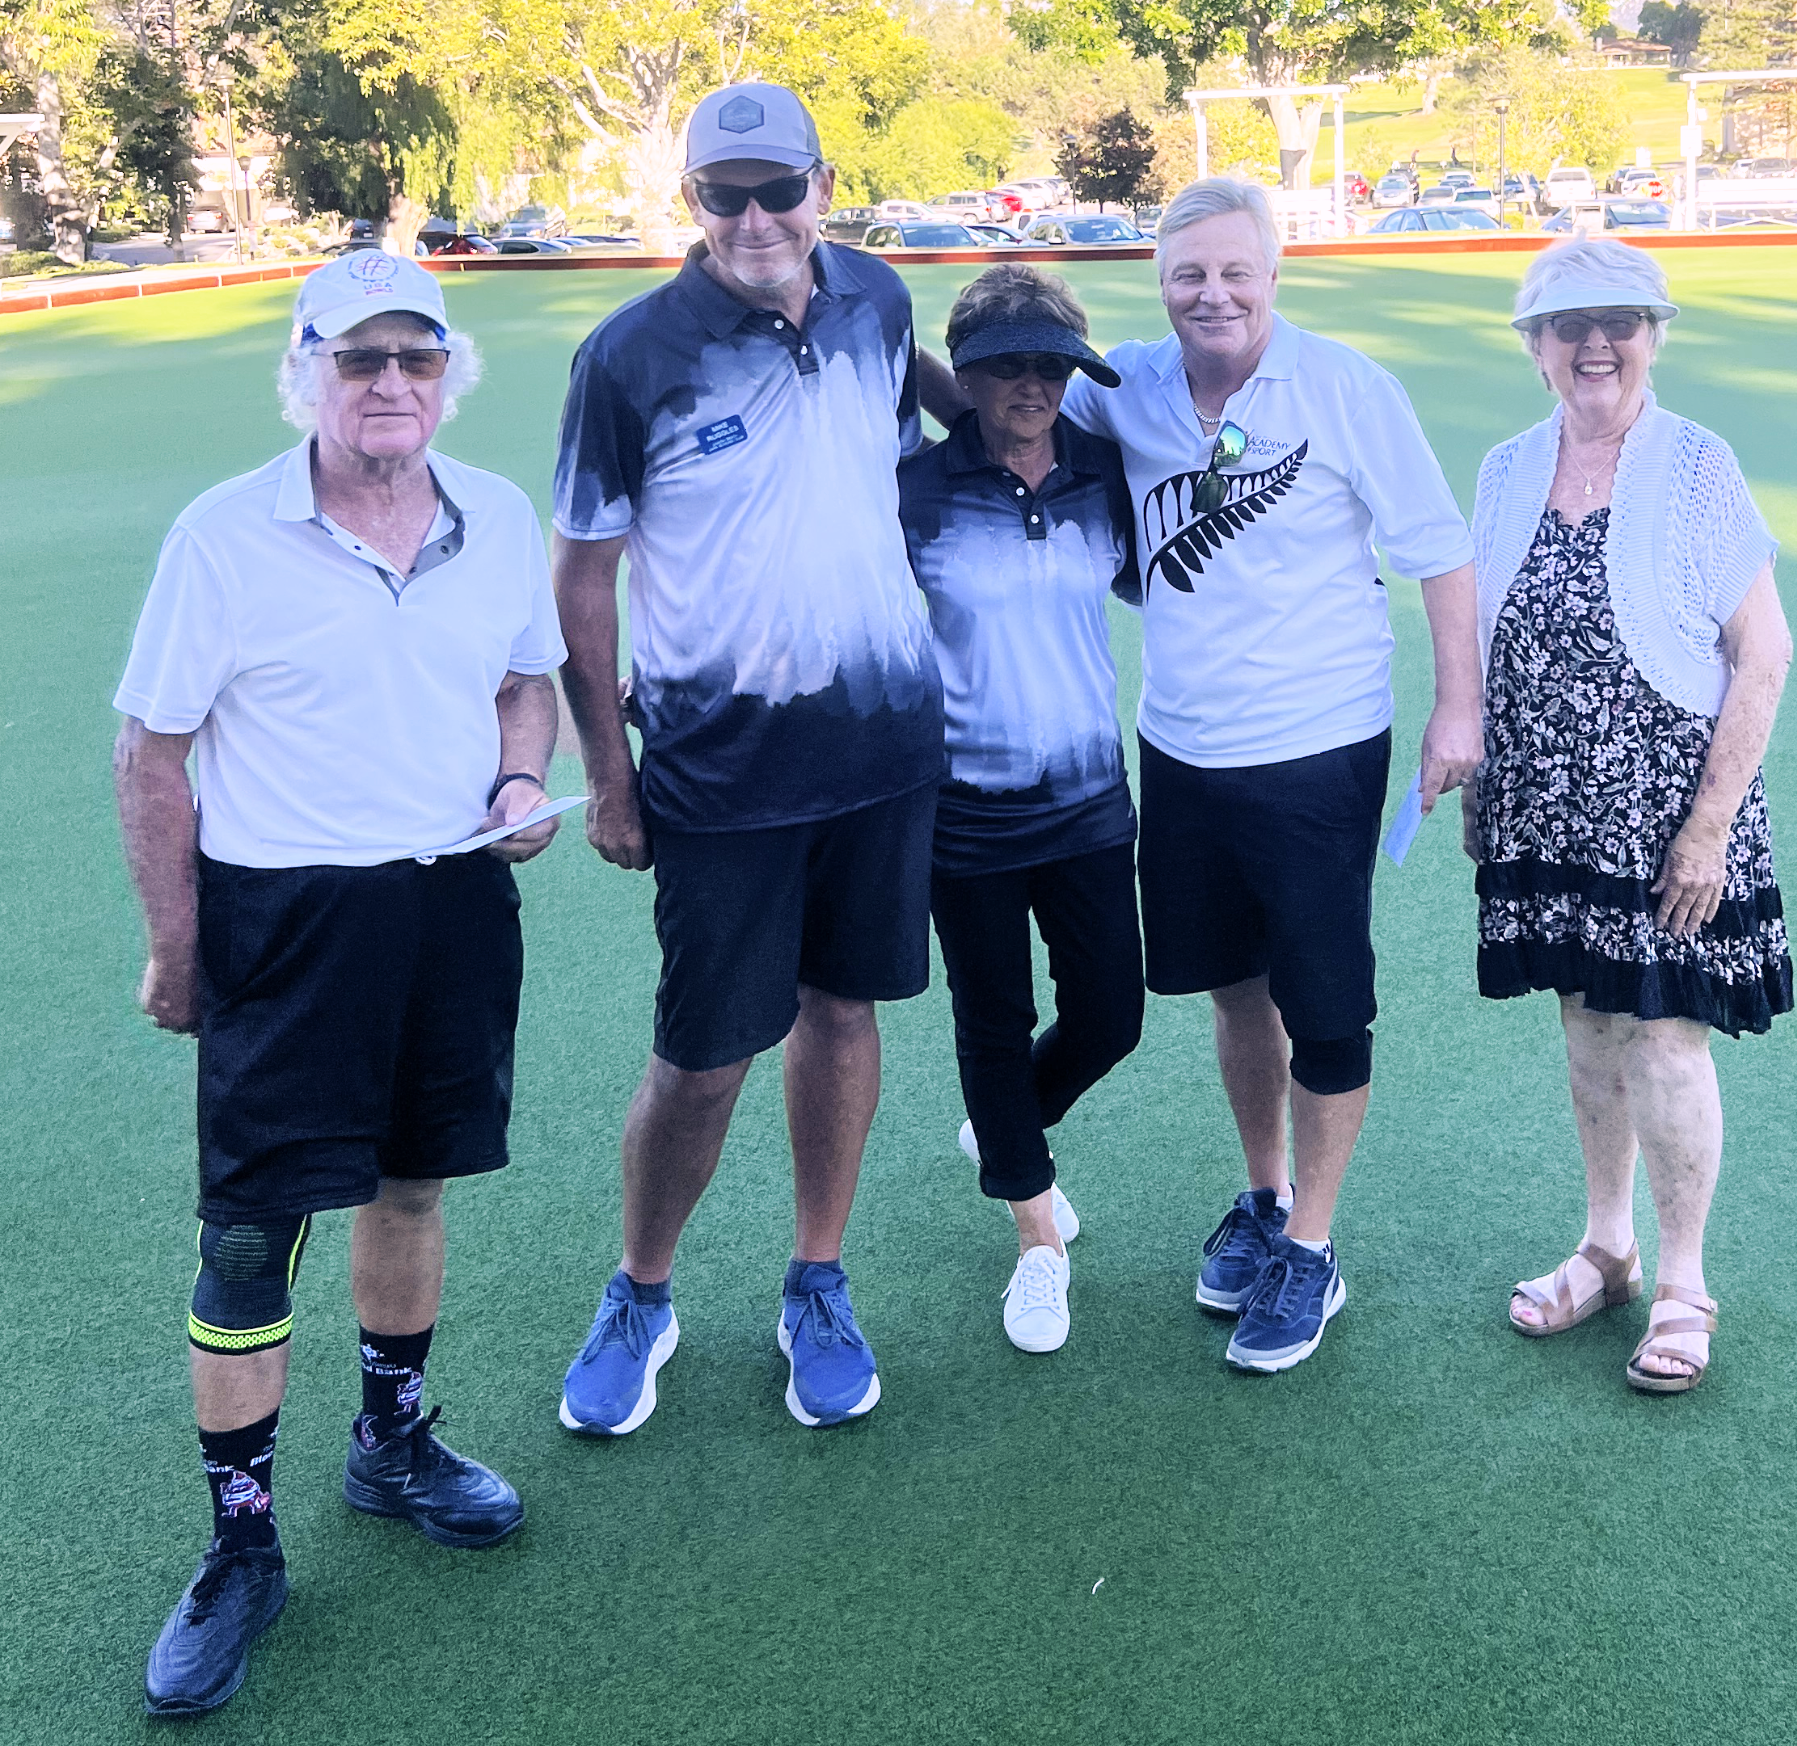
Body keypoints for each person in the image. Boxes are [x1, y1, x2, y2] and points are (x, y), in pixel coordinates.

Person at [926, 178, 1483, 1374]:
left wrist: (1457, 708)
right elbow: (1006, 402)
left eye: (1234, 272)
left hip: (1319, 749)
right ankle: (1265, 1197)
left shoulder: (1342, 387)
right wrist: (940, 373)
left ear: (1273, 276)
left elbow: (1436, 549)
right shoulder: (1120, 384)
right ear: (1160, 286)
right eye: (1188, 275)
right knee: (1233, 990)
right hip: (1179, 752)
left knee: (1325, 1005)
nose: (1211, 294)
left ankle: (1315, 1251)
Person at [114, 252, 566, 1717]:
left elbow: (528, 674)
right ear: (305, 370)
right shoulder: (225, 533)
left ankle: (391, 1442)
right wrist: (179, 945)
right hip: (284, 914)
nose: (388, 385)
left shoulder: (493, 515)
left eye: (415, 361)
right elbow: (153, 750)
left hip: (449, 899)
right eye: (358, 358)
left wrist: (518, 770)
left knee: (413, 1187)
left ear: (448, 377)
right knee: (251, 1237)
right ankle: (241, 1548)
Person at [550, 82, 943, 1432]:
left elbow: (900, 474)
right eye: (728, 194)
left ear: (825, 182)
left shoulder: (879, 303)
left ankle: (816, 1279)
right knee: (703, 1056)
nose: (760, 217)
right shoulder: (628, 355)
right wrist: (609, 772)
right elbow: (585, 575)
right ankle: (640, 1289)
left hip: (885, 750)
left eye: (782, 188)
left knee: (845, 1013)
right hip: (721, 772)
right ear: (692, 204)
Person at [1470, 238, 1794, 1394]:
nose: (1593, 343)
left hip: (1668, 811)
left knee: (1664, 1037)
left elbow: (1762, 654)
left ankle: (1682, 1281)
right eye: (1567, 325)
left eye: (1619, 321)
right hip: (1549, 805)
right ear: (1534, 347)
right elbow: (1489, 640)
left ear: (1653, 335)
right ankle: (1604, 1247)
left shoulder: (1699, 464)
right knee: (1586, 1027)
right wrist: (1490, 791)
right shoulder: (1506, 467)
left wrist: (1706, 827)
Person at [897, 264, 1145, 1354]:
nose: (1032, 385)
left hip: (1090, 794)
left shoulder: (1103, 471)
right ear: (970, 373)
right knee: (989, 1019)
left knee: (1111, 1015)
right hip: (964, 808)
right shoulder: (913, 489)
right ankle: (1035, 1236)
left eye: (1051, 365)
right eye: (1006, 366)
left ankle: (1006, 1131)